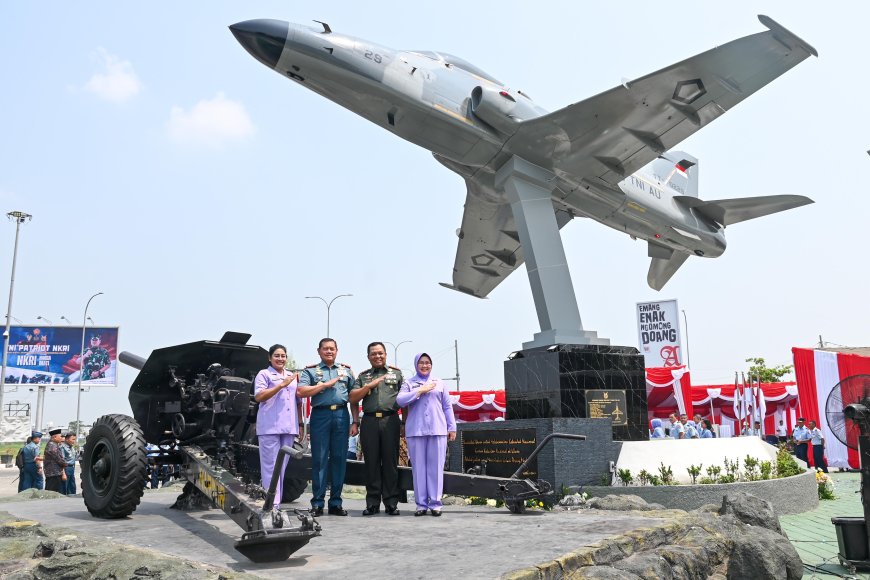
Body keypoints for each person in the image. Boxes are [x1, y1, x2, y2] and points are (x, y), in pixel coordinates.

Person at [298, 338, 356, 516]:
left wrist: (355, 421)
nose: (329, 351)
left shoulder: (346, 371)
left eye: (332, 349)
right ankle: (317, 503)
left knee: (339, 459)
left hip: (341, 415)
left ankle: (336, 503)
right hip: (320, 415)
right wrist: (323, 385)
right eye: (325, 349)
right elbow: (301, 391)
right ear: (319, 351)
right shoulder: (310, 371)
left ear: (337, 350)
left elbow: (354, 397)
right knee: (319, 459)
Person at [396, 353, 456, 517]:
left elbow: (447, 406)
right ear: (416, 365)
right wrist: (420, 390)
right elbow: (400, 401)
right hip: (416, 431)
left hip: (437, 429)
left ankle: (436, 503)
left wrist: (452, 427)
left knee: (436, 467)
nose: (424, 365)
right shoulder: (409, 383)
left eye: (427, 363)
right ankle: (421, 504)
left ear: (431, 364)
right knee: (418, 468)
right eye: (421, 363)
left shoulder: (439, 383)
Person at [350, 342, 404, 516]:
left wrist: (405, 423)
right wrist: (368, 386)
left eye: (380, 353)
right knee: (371, 463)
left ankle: (391, 503)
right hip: (370, 421)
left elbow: (406, 399)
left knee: (390, 462)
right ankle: (372, 503)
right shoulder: (363, 376)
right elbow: (353, 399)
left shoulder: (396, 374)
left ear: (386, 355)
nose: (377, 356)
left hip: (391, 420)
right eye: (373, 354)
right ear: (368, 357)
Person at [254, 344, 303, 509]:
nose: (280, 359)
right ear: (270, 357)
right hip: (269, 427)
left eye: (283, 356)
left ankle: (277, 502)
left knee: (281, 468)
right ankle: (272, 505)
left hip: (289, 427)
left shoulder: (292, 375)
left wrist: (301, 424)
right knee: (270, 467)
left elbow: (298, 403)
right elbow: (259, 396)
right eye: (277, 355)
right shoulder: (264, 374)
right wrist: (281, 385)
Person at [43, 428, 67, 492]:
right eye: (60, 436)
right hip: (53, 473)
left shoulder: (53, 444)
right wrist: (65, 464)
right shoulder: (52, 446)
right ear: (55, 437)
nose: (61, 438)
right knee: (52, 491)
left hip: (54, 472)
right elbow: (58, 459)